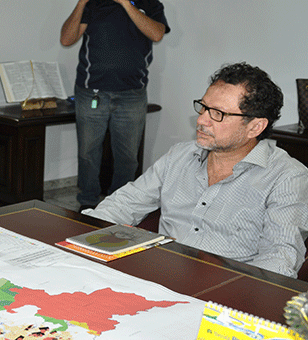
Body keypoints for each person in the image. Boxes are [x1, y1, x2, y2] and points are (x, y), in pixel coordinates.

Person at [83, 62, 308, 278]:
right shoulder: (179, 155)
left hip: (224, 292)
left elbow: (279, 261)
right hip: (159, 276)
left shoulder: (287, 177)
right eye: (203, 107)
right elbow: (125, 203)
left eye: (217, 114)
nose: (201, 120)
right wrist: (82, 236)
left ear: (255, 127)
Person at [60, 0, 170, 212]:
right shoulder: (93, 4)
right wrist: (82, 2)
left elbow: (156, 34)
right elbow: (66, 39)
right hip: (92, 91)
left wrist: (126, 4)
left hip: (133, 94)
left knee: (128, 156)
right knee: (88, 152)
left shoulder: (151, 4)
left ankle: (118, 204)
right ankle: (88, 201)